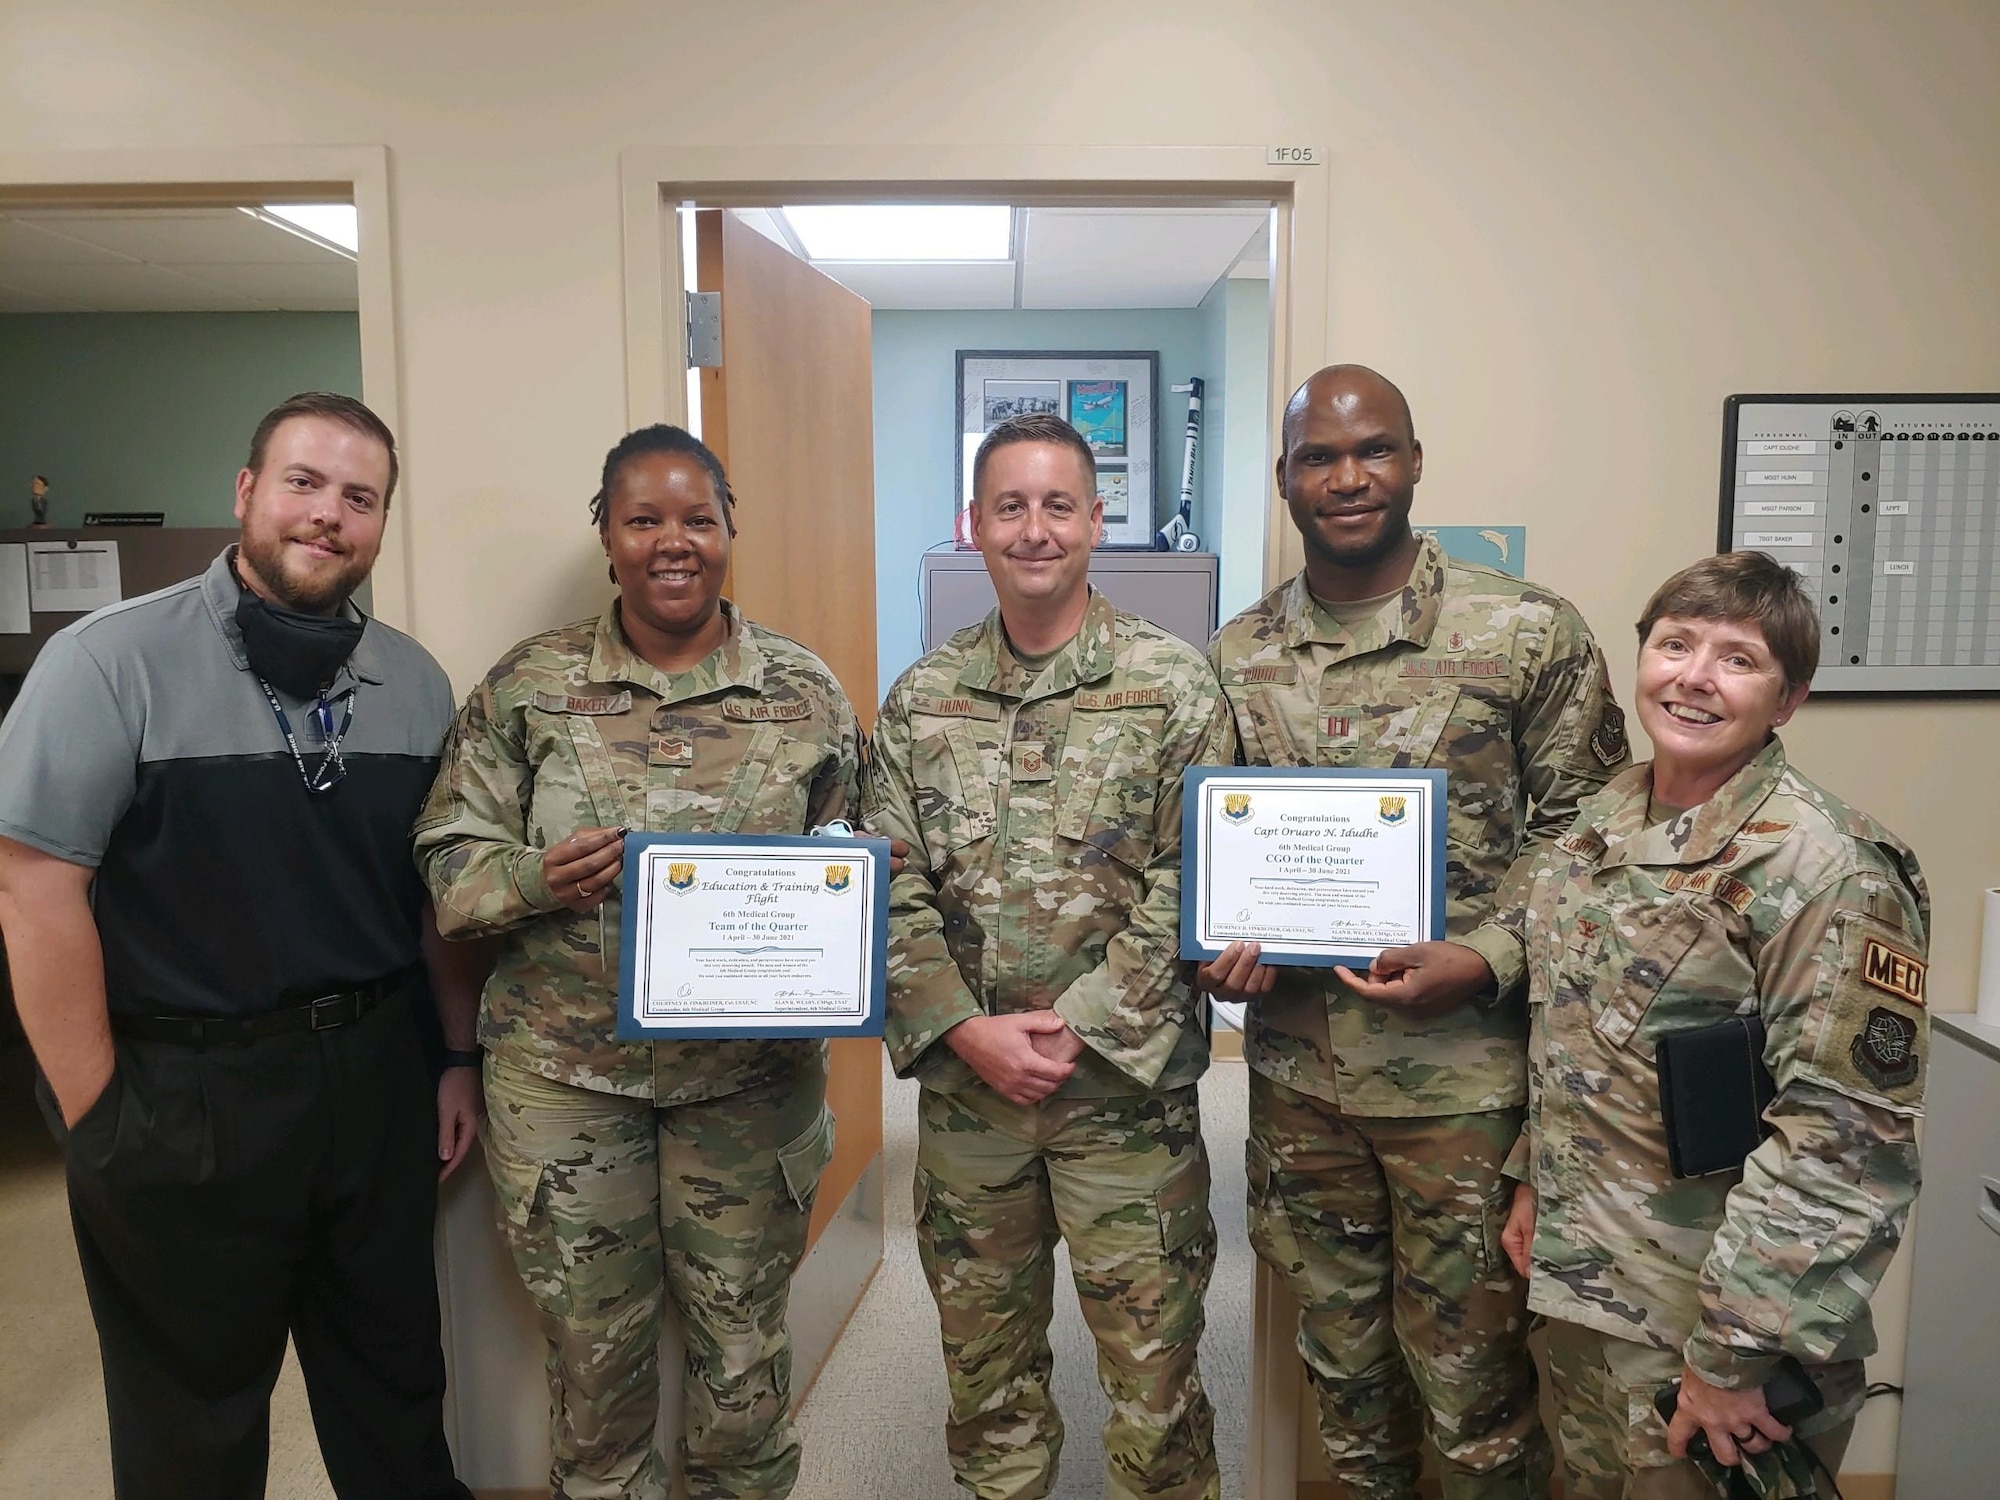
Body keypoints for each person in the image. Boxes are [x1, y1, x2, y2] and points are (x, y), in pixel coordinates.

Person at [1352, 552, 1928, 1499]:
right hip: (1594, 1294)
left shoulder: (1831, 870)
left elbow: (1845, 1144)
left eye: (1738, 660)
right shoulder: (1601, 822)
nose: (1695, 677)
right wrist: (1533, 1179)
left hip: (1714, 1335)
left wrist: (1735, 1353)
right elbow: (1578, 1037)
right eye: (1675, 645)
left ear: (1789, 700)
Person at [0, 392, 479, 1499]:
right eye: (304, 484)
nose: (328, 516)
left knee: (396, 1386)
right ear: (247, 493)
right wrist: (97, 1116)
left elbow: (432, 896)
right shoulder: (108, 664)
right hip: (183, 1094)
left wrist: (453, 1056)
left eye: (359, 499)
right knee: (192, 1424)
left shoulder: (413, 684)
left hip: (372, 1083)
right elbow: (32, 888)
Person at [1204, 364, 1630, 1498]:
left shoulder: (1523, 633)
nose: (1346, 479)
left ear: (1413, 461)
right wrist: (1221, 958)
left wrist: (1487, 956)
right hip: (1302, 1089)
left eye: (1372, 450)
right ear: (1285, 479)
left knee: (1478, 1403)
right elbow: (1205, 851)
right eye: (1316, 458)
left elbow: (1592, 842)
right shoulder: (1235, 655)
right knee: (1344, 1395)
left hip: (1465, 1098)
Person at [415, 423, 861, 1500]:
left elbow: (860, 871)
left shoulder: (803, 691)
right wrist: (537, 878)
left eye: (697, 519)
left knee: (746, 1359)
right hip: (567, 1089)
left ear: (728, 531)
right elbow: (444, 866)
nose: (674, 542)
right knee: (593, 1364)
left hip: (747, 1087)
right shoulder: (529, 687)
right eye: (644, 519)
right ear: (606, 534)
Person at [864, 412, 1237, 1500]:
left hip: (1127, 1102)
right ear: (972, 524)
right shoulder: (921, 699)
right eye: (1010, 506)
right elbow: (888, 883)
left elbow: (1191, 874)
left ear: (1095, 519)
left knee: (1155, 1387)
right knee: (987, 1387)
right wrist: (963, 1027)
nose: (1034, 529)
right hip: (970, 1100)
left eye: (1057, 505)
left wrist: (1080, 1024)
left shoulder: (1173, 687)